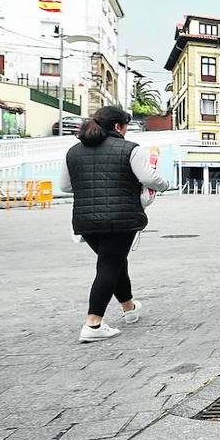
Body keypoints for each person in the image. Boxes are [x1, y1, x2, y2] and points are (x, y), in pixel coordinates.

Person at [59, 105, 170, 343]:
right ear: (119, 126)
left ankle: (129, 308)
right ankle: (93, 323)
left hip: (86, 220)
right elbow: (148, 177)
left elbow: (65, 186)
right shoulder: (130, 149)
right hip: (121, 218)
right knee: (109, 266)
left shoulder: (73, 152)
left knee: (114, 262)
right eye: (126, 126)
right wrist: (164, 185)